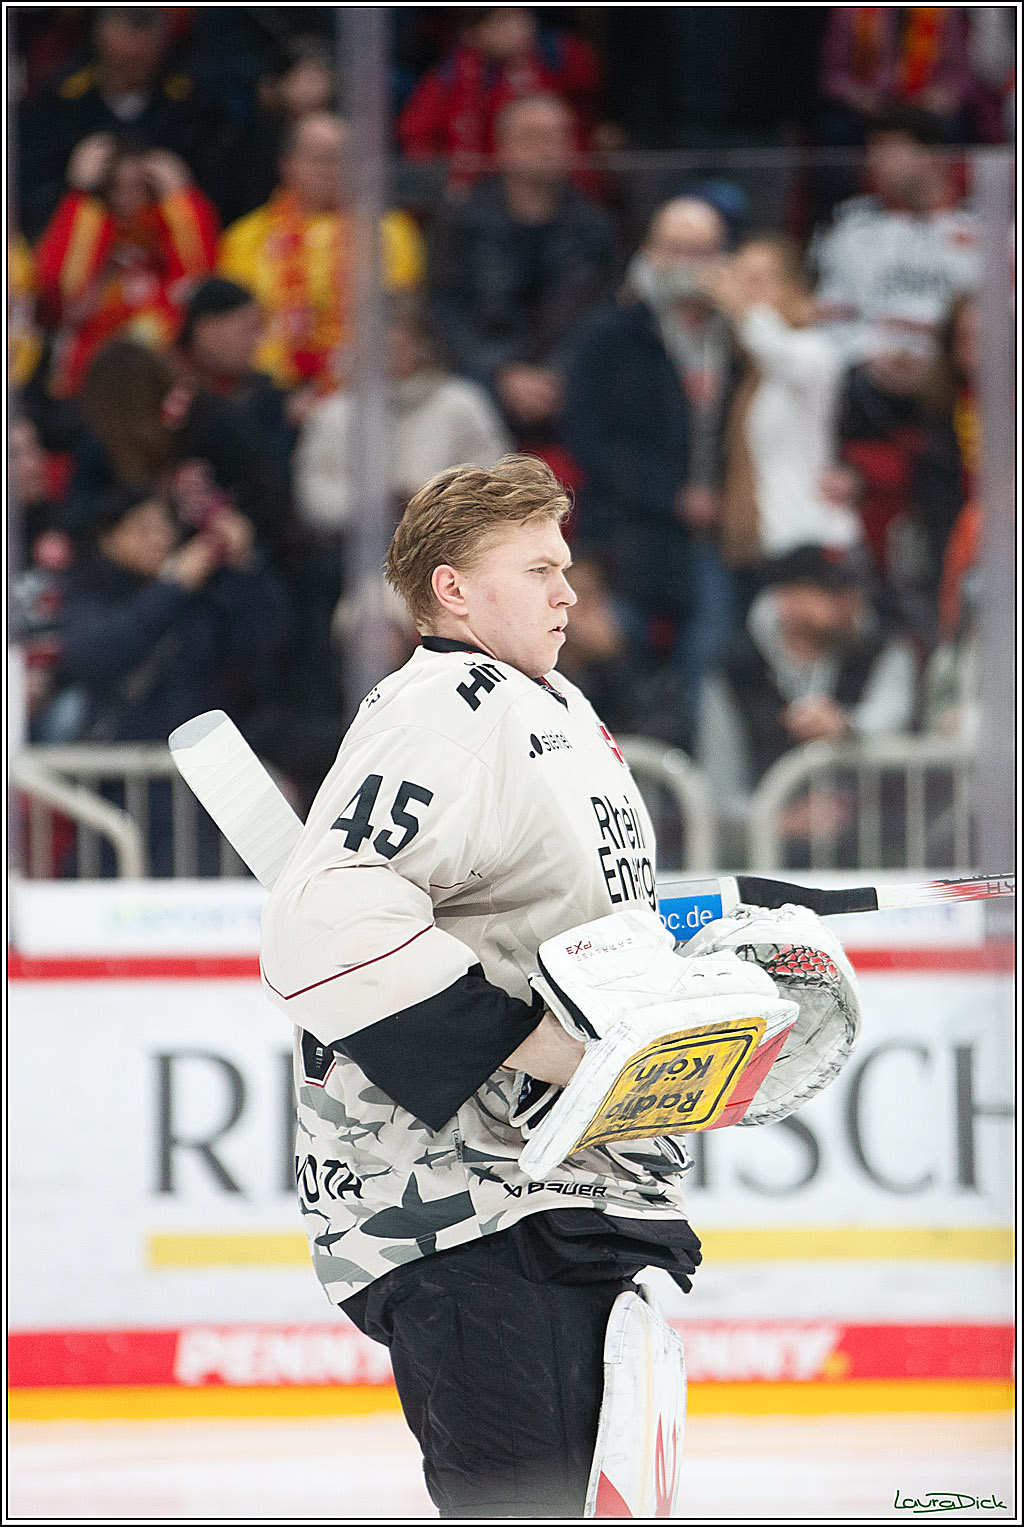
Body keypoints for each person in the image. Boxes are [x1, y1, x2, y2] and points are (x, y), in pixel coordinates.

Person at [259, 455, 707, 1517]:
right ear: (453, 588)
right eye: (538, 569)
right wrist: (535, 1043)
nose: (569, 592)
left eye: (565, 567)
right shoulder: (446, 711)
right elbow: (326, 919)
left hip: (561, 1195)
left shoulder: (551, 705)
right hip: (472, 1212)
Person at [562, 194, 741, 737]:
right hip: (626, 534)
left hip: (713, 535)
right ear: (650, 253)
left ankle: (697, 771)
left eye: (704, 251)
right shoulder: (610, 334)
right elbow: (587, 438)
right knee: (621, 659)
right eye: (677, 249)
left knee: (709, 654)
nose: (691, 265)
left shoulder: (736, 338)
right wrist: (669, 494)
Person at [428, 93, 616, 448]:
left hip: (572, 387)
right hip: (480, 385)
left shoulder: (593, 225)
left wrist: (560, 372)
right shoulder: (463, 221)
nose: (548, 149)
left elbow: (601, 310)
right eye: (534, 137)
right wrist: (501, 372)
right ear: (503, 146)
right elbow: (445, 309)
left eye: (558, 137)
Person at [216, 111, 425, 395]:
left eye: (342, 158)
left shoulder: (391, 232)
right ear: (287, 165)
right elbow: (237, 329)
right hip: (271, 391)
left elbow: (399, 320)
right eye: (319, 158)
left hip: (365, 388)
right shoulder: (245, 237)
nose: (331, 169)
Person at [706, 235, 864, 598]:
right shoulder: (741, 367)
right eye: (740, 280)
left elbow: (778, 353)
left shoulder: (814, 350)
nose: (745, 293)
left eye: (758, 281)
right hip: (751, 538)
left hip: (805, 533)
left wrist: (742, 310)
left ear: (793, 289)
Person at [33, 134, 218, 398]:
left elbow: (198, 285)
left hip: (161, 384)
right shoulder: (89, 233)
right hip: (88, 386)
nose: (127, 198)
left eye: (138, 187)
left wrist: (181, 197)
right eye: (115, 187)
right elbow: (62, 287)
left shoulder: (164, 243)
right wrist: (81, 195)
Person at [17, 6, 224, 239]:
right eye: (121, 58)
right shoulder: (62, 102)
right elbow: (31, 202)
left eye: (141, 58)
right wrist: (76, 188)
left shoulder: (192, 103)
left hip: (165, 244)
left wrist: (184, 194)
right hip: (84, 242)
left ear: (161, 47)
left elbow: (221, 205)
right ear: (100, 43)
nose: (131, 65)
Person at [810, 103, 980, 365]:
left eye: (889, 149)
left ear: (932, 155)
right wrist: (872, 354)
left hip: (957, 368)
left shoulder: (986, 229)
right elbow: (830, 317)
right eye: (873, 150)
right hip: (868, 368)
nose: (875, 162)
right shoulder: (850, 229)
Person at [396, 6, 604, 194]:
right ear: (472, 34)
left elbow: (590, 114)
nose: (519, 28)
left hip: (557, 193)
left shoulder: (560, 57)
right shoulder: (448, 79)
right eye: (504, 20)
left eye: (522, 16)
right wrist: (442, 186)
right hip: (477, 197)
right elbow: (416, 138)